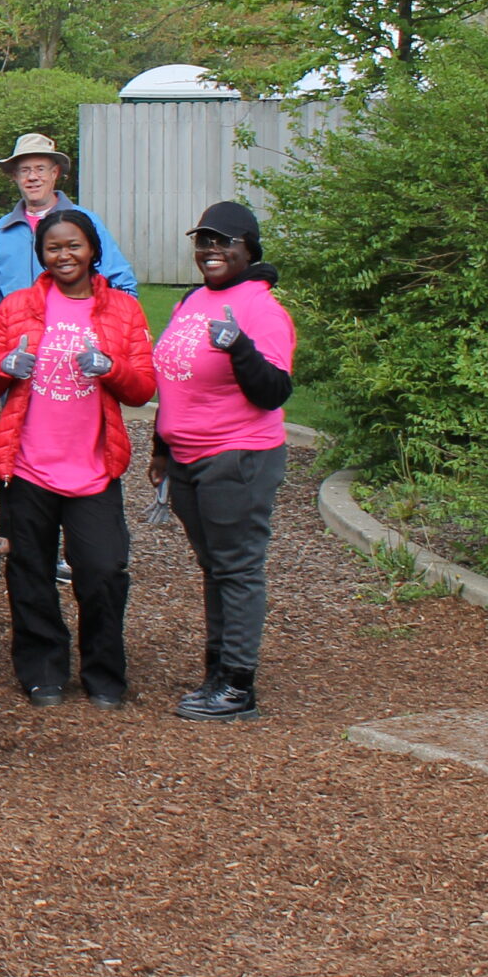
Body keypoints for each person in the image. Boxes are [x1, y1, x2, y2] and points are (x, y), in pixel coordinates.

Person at [0, 208, 157, 708]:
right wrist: (5, 365)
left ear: (93, 250)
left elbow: (143, 388)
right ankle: (43, 670)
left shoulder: (123, 310)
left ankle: (103, 673)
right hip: (27, 464)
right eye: (53, 247)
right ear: (42, 255)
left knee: (102, 571)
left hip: (93, 468)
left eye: (73, 245)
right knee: (29, 574)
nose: (64, 255)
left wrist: (112, 367)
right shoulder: (17, 308)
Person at [152, 201, 297, 722]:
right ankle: (216, 673)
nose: (211, 250)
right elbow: (175, 382)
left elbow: (274, 390)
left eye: (224, 242)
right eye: (204, 241)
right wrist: (161, 449)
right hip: (189, 458)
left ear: (248, 249)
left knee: (236, 569)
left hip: (237, 456)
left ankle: (238, 686)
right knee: (215, 568)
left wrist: (239, 349)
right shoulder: (192, 300)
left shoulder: (262, 309)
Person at [0, 133, 137, 340]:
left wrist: (115, 335)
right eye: (25, 170)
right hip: (16, 346)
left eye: (40, 169)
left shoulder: (84, 222)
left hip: (76, 342)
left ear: (55, 173)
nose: (32, 177)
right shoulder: (1, 231)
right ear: (14, 177)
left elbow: (121, 284)